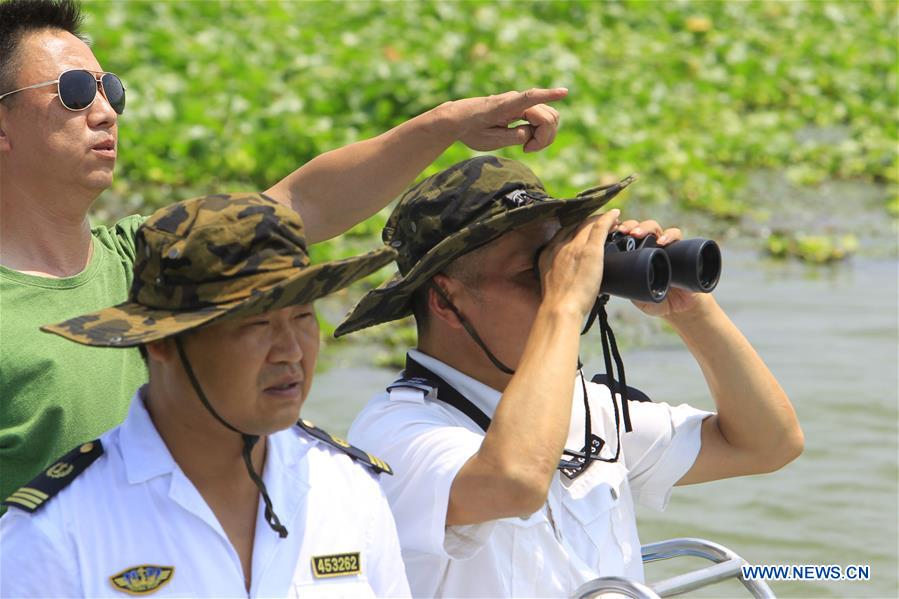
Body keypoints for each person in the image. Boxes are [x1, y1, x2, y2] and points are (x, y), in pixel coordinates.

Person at [0, 0, 566, 504]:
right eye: (74, 92)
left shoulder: (148, 261)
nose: (105, 112)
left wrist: (447, 123)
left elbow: (301, 203)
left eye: (110, 90)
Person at [335, 155, 804, 597]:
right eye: (532, 273)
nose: (562, 282)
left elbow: (767, 444)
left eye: (558, 266)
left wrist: (693, 313)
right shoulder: (397, 433)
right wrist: (562, 303)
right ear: (445, 300)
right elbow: (514, 481)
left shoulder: (585, 408)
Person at [1, 193, 412, 597]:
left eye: (303, 316)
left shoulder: (346, 488)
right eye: (256, 325)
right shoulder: (57, 532)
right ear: (162, 343)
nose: (291, 351)